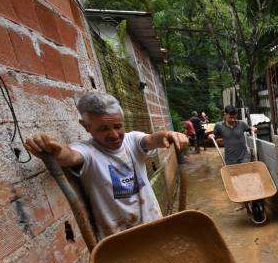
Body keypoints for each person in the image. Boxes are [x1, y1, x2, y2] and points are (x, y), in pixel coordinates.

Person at [24, 91, 188, 239]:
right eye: (103, 129)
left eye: (118, 126)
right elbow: (70, 156)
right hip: (118, 239)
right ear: (86, 126)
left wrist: (168, 134)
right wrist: (55, 151)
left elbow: (151, 139)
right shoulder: (87, 151)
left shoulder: (132, 140)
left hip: (155, 224)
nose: (114, 135)